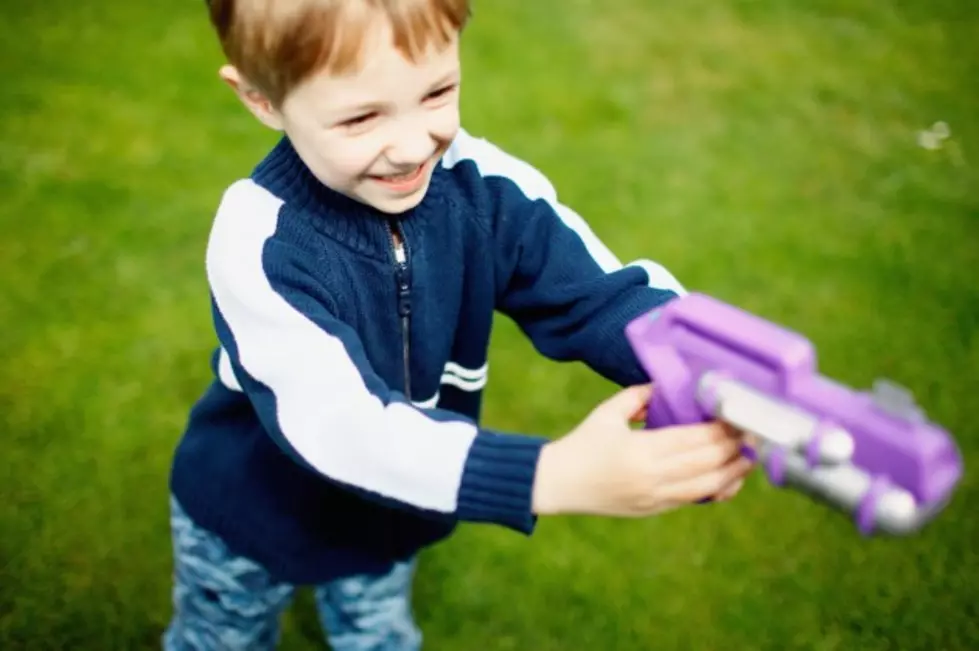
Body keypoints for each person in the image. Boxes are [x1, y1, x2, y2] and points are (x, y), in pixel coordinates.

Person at [164, 0, 755, 649]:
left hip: (396, 509)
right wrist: (545, 474)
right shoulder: (259, 240)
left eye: (437, 91)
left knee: (376, 625)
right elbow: (341, 426)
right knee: (220, 638)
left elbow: (600, 296)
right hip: (249, 515)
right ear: (261, 98)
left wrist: (711, 370)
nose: (414, 145)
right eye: (361, 117)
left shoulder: (484, 189)